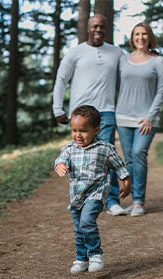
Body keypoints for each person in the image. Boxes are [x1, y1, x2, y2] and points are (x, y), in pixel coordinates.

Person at [52, 14, 127, 216]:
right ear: (87, 28)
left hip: (106, 112)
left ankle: (111, 201)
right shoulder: (75, 52)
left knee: (108, 156)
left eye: (102, 27)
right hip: (80, 114)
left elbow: (130, 75)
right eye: (94, 26)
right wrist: (57, 109)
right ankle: (84, 199)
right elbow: (61, 80)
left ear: (106, 29)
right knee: (79, 159)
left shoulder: (117, 53)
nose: (98, 30)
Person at [55, 106, 131, 273]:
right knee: (78, 229)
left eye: (83, 130)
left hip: (96, 194)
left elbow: (119, 167)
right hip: (76, 197)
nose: (78, 135)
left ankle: (96, 254)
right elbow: (61, 159)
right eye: (74, 130)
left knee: (87, 222)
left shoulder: (104, 149)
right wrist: (60, 165)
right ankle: (81, 258)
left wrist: (126, 183)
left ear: (96, 130)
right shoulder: (70, 148)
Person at [115, 22, 163, 217]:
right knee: (129, 159)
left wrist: (149, 116)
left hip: (146, 119)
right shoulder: (123, 60)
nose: (140, 37)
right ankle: (134, 199)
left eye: (144, 34)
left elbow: (162, 90)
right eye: (137, 34)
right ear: (132, 38)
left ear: (149, 37)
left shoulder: (158, 61)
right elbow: (119, 85)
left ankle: (139, 202)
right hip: (123, 116)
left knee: (139, 152)